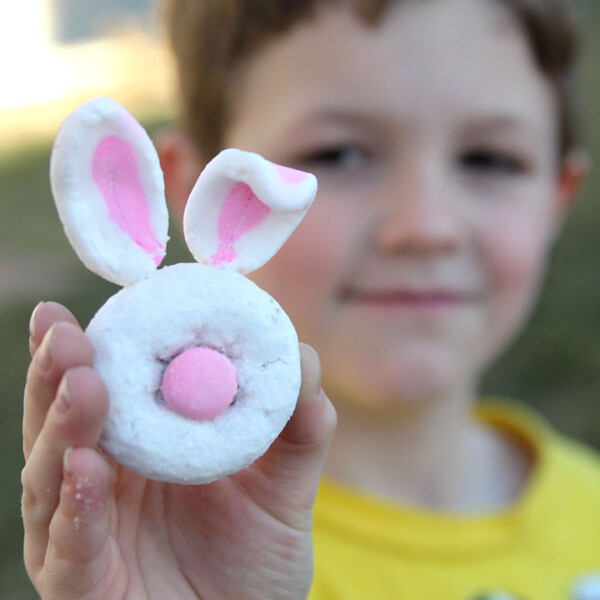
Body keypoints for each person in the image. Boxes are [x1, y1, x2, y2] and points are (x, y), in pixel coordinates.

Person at [21, 0, 600, 598]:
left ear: (558, 196)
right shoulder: (187, 560)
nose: (426, 225)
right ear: (197, 187)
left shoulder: (593, 514)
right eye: (339, 153)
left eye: (490, 160)